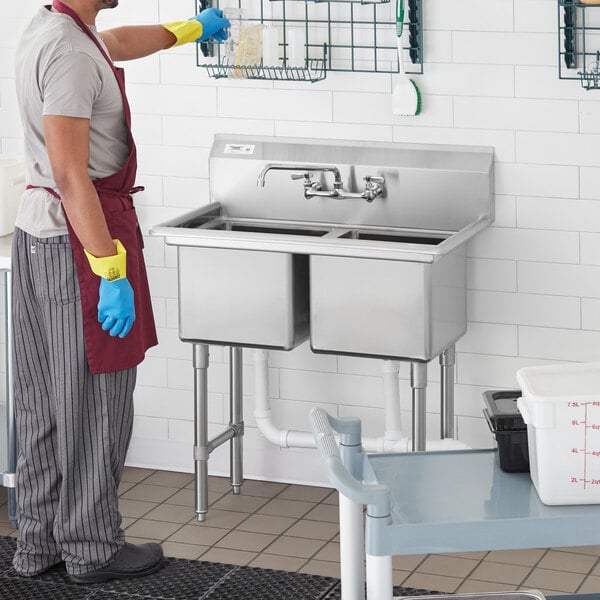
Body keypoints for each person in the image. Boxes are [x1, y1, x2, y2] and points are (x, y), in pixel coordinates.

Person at [13, 0, 228, 584]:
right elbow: (69, 171)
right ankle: (90, 547)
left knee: (42, 401)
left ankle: (39, 542)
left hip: (39, 234)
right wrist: (109, 270)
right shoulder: (68, 50)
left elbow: (116, 44)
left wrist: (188, 31)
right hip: (79, 242)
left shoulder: (57, 28)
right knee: (95, 399)